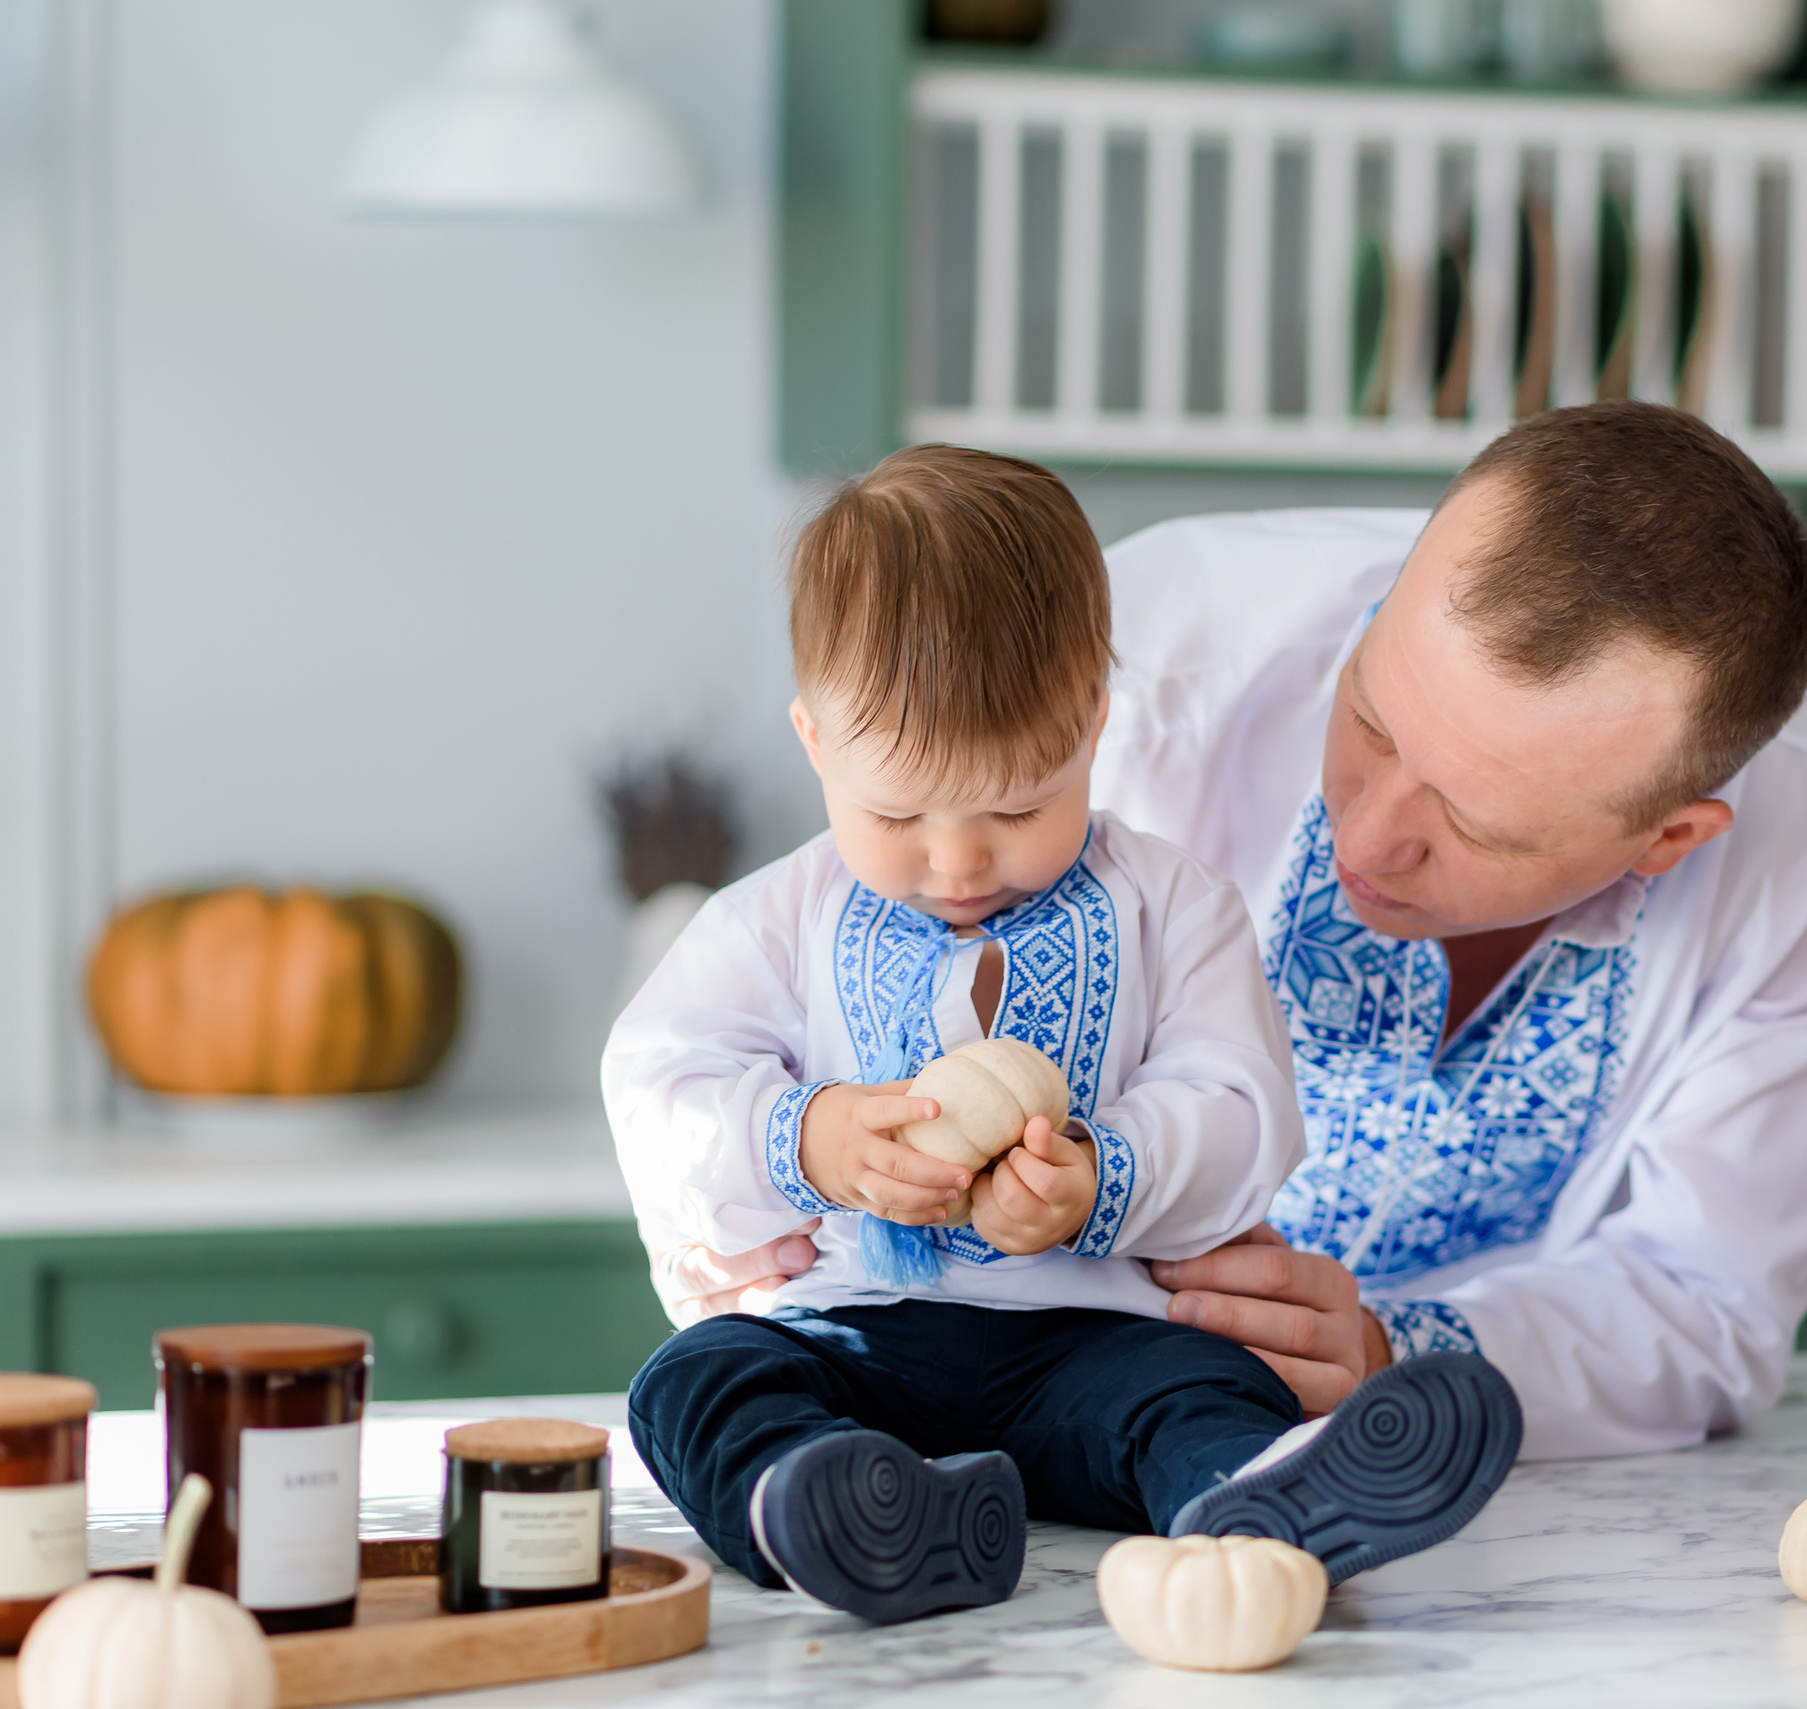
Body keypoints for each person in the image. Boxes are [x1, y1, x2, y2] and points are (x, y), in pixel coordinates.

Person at [649, 403, 1807, 1462]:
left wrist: (1405, 1358)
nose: (1368, 837)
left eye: (1479, 829)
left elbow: (1706, 1299)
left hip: (1426, 1488)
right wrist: (739, 1203)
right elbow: (772, 1004)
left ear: (1671, 837)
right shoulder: (1132, 658)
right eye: (1372, 721)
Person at [605, 446, 1523, 1625]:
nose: (956, 859)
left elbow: (1240, 1108)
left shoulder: (1172, 906)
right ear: (815, 741)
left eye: (1017, 803)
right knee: (699, 1381)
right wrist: (809, 1139)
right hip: (855, 1332)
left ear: (1094, 723)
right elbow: (659, 1079)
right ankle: (837, 1502)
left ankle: (1254, 1502)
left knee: (1206, 1386)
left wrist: (1103, 1177)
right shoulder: (773, 920)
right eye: (896, 811)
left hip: (1097, 1338)